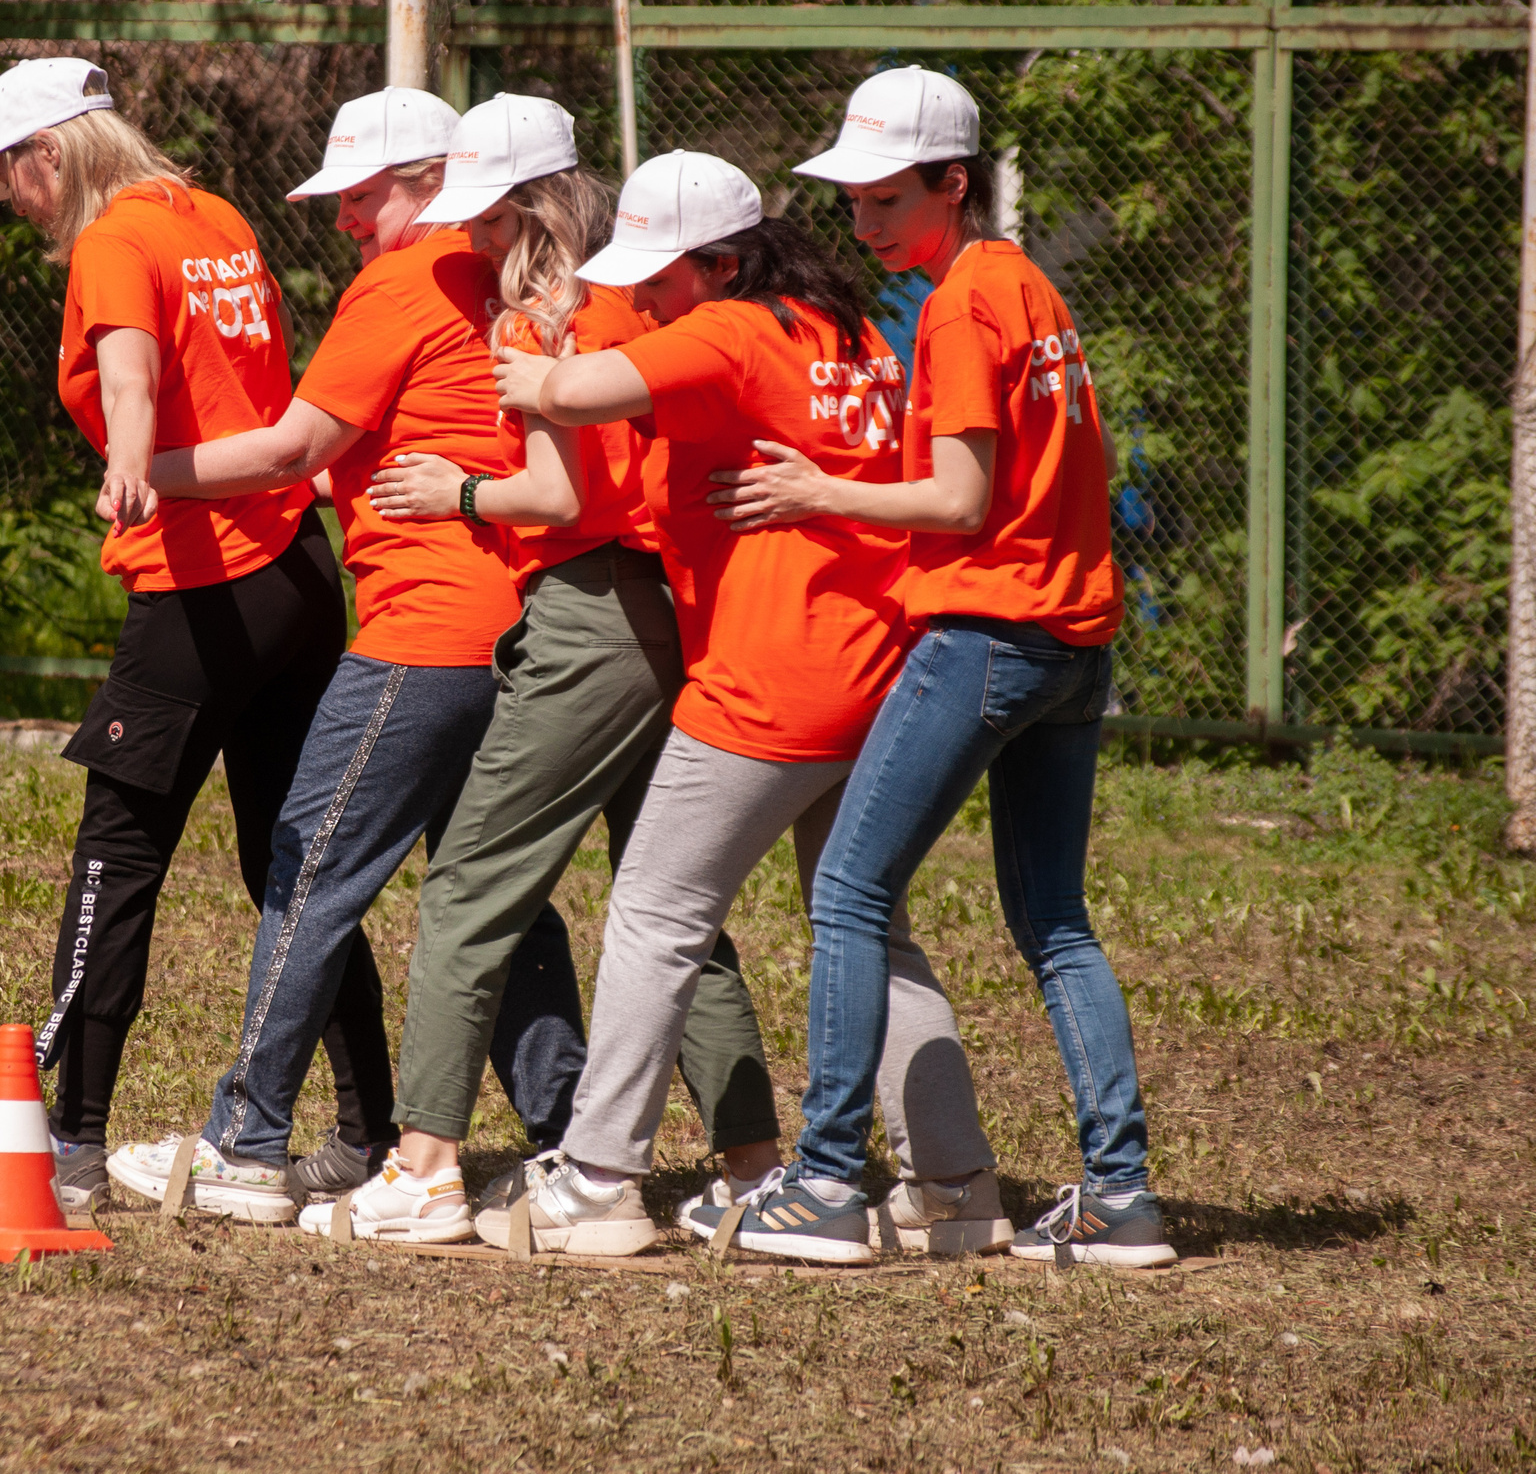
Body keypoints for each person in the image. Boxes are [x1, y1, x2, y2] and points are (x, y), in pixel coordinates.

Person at [488, 150, 1013, 1260]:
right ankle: (955, 1187)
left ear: (721, 263)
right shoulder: (848, 332)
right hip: (876, 673)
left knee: (653, 915)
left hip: (767, 684)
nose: (640, 297)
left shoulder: (727, 328)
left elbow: (564, 392)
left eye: (658, 278)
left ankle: (595, 1179)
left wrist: (534, 341)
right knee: (865, 925)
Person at [294, 97, 791, 1246]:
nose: (459, 242)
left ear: (523, 212)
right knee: (673, 901)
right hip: (678, 611)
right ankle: (754, 1166)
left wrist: (456, 493)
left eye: (475, 219)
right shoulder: (652, 294)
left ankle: (419, 1168)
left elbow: (560, 499)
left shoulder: (536, 319)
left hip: (585, 618)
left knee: (469, 883)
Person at [101, 88, 591, 1223]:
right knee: (497, 893)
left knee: (307, 869)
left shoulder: (403, 282)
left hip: (422, 632)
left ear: (433, 180)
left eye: (362, 194)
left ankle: (243, 1144)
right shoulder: (500, 276)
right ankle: (568, 1145)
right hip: (513, 625)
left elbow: (290, 450)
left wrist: (145, 474)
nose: (342, 220)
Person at [711, 66, 1172, 1268]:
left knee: (848, 895)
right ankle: (1119, 1196)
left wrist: (816, 490)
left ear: (950, 184)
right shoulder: (1025, 283)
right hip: (1075, 642)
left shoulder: (966, 303)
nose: (858, 219)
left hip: (987, 635)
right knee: (1055, 925)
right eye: (849, 197)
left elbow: (961, 498)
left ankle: (820, 1185)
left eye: (881, 197)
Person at [0, 56, 387, 1213]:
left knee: (117, 854)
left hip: (202, 588)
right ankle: (366, 1130)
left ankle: (73, 1144)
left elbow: (131, 375)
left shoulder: (110, 243)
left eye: (13, 180)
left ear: (49, 151)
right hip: (298, 571)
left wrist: (131, 463)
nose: (20, 209)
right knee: (289, 860)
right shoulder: (216, 217)